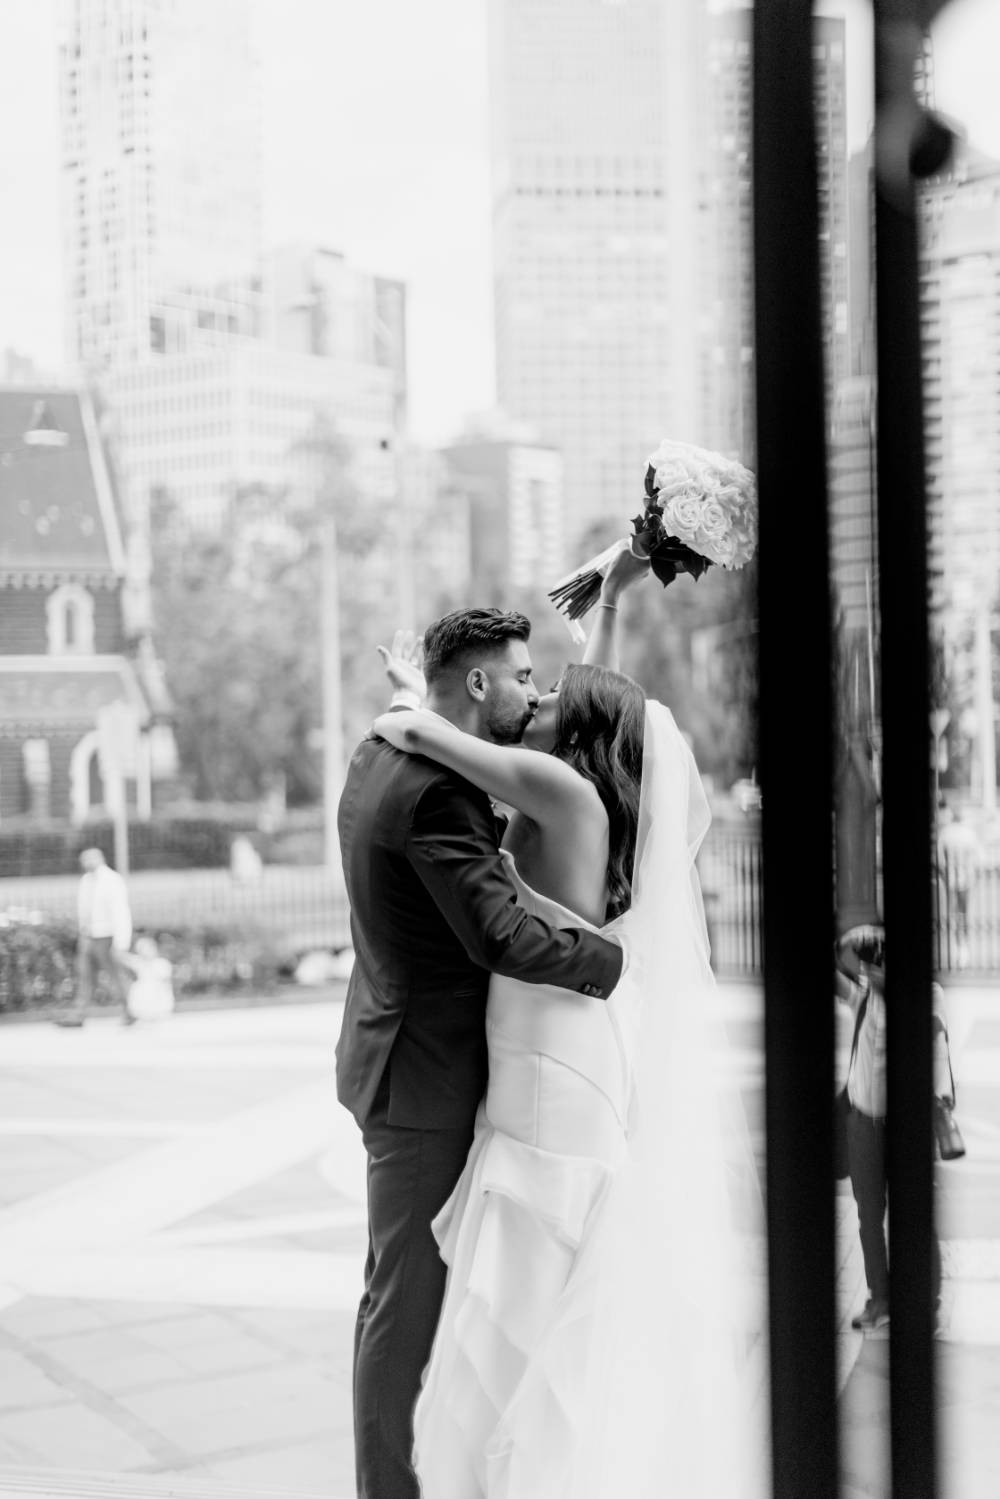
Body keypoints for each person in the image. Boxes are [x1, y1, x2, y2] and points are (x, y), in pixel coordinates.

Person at [370, 551, 765, 1499]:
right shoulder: (592, 799)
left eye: (544, 699)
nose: (533, 697)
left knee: (532, 1281)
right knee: (547, 1286)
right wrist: (618, 597)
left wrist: (409, 692)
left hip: (551, 1067)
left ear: (574, 738)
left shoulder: (561, 793)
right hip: (562, 1051)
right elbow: (606, 704)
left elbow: (430, 737)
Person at [336, 606, 627, 1499]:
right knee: (405, 1307)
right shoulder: (436, 791)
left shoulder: (383, 751)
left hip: (398, 1049)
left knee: (406, 1291)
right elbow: (499, 934)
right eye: (521, 674)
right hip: (421, 1081)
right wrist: (614, 958)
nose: (532, 689)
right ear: (476, 684)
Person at [835, 927, 948, 1337]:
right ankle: (880, 1299)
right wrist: (854, 939)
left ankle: (926, 1304)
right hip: (864, 1122)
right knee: (869, 1218)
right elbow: (839, 967)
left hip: (905, 1127)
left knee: (917, 1216)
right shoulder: (864, 995)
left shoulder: (928, 995)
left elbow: (935, 1042)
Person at [55, 847, 133, 1027]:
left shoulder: (112, 880)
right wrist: (83, 933)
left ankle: (129, 1010)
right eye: (85, 859)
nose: (88, 863)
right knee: (85, 976)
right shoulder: (86, 881)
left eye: (91, 859)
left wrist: (121, 942)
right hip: (89, 936)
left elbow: (120, 912)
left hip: (107, 937)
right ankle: (79, 1014)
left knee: (116, 975)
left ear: (101, 859)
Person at [937, 805, 981, 968]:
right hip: (966, 880)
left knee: (953, 914)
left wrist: (944, 874)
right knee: (964, 912)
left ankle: (957, 947)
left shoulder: (946, 833)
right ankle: (964, 949)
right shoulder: (969, 834)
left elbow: (940, 859)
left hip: (951, 879)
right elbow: (977, 858)